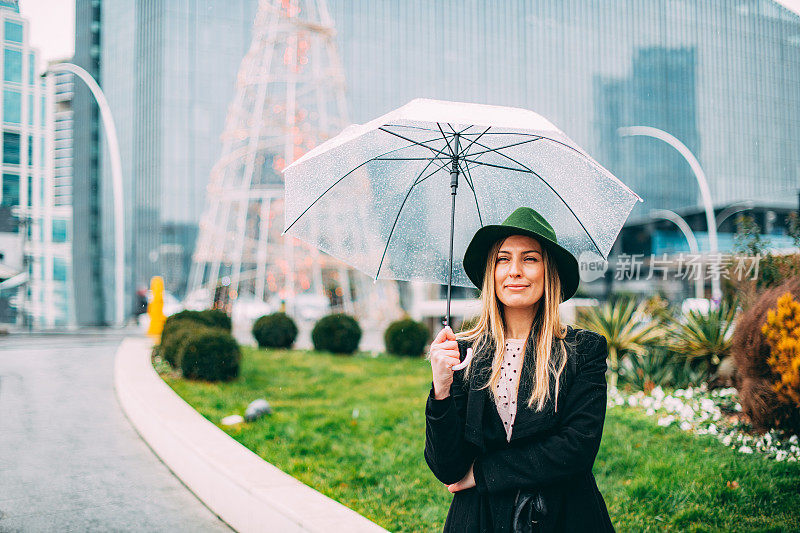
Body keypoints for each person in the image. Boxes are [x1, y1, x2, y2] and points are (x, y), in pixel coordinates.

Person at [425, 206, 615, 532]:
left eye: (529, 258)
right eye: (502, 259)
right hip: (480, 520)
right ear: (491, 273)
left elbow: (575, 448)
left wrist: (482, 474)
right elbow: (448, 469)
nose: (514, 270)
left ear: (548, 271)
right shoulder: (463, 352)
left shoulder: (584, 351)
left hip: (561, 516)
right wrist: (441, 389)